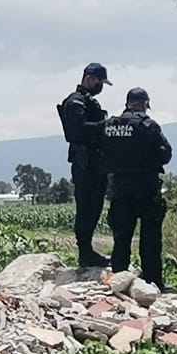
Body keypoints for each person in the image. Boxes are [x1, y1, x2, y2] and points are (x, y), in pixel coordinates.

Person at [104, 88, 172, 289]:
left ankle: (118, 280)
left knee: (121, 237)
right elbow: (165, 155)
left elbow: (104, 154)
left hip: (120, 188)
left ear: (128, 102)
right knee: (150, 238)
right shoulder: (148, 126)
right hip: (146, 188)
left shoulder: (110, 126)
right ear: (144, 103)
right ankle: (152, 282)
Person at [57, 62, 111, 267]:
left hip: (98, 162)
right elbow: (77, 131)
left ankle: (89, 251)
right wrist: (103, 126)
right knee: (86, 207)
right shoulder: (75, 102)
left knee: (96, 206)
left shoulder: (89, 102)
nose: (101, 86)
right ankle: (85, 252)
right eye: (99, 81)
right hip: (84, 162)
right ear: (89, 78)